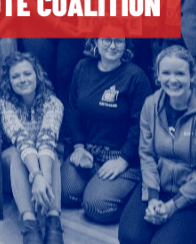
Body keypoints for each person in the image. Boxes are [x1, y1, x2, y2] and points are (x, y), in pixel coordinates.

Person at [118, 45, 196, 244]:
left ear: (192, 76)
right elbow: (147, 154)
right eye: (166, 73)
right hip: (159, 186)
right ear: (158, 76)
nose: (173, 80)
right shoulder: (151, 104)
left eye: (180, 73)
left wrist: (171, 207)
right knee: (130, 238)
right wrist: (152, 197)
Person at [61, 34, 152, 224]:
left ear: (126, 44)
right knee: (63, 193)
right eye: (107, 40)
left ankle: (123, 191)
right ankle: (95, 186)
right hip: (88, 154)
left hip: (122, 158)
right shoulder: (82, 67)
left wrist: (123, 160)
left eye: (119, 41)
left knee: (95, 207)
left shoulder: (136, 77)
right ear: (95, 42)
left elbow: (142, 126)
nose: (113, 45)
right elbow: (73, 109)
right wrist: (78, 147)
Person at [0, 52, 66, 244]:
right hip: (12, 168)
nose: (22, 80)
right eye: (15, 76)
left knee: (50, 152)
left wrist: (41, 178)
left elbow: (47, 139)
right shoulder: (5, 104)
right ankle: (30, 224)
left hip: (44, 169)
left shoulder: (53, 103)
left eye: (27, 74)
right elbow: (21, 139)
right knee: (19, 152)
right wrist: (37, 176)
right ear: (8, 82)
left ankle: (53, 219)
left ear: (37, 74)